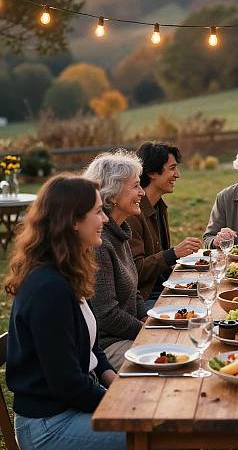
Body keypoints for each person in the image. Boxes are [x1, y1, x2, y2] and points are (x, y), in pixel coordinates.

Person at [5, 175, 125, 450]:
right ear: (73, 221)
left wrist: (117, 385)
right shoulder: (49, 289)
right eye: (97, 212)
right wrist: (120, 403)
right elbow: (67, 383)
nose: (105, 219)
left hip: (72, 406)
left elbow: (93, 351)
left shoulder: (68, 273)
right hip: (49, 423)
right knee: (152, 434)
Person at [83, 150, 147, 370]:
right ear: (111, 196)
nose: (142, 193)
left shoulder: (120, 233)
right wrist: (148, 331)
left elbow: (134, 293)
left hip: (129, 336)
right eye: (135, 186)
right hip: (109, 347)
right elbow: (107, 316)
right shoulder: (100, 244)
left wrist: (149, 321)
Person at [127, 142, 201, 303]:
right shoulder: (133, 215)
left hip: (164, 289)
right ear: (152, 172)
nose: (177, 175)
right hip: (145, 299)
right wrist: (173, 254)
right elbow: (135, 272)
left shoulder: (159, 207)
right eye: (172, 168)